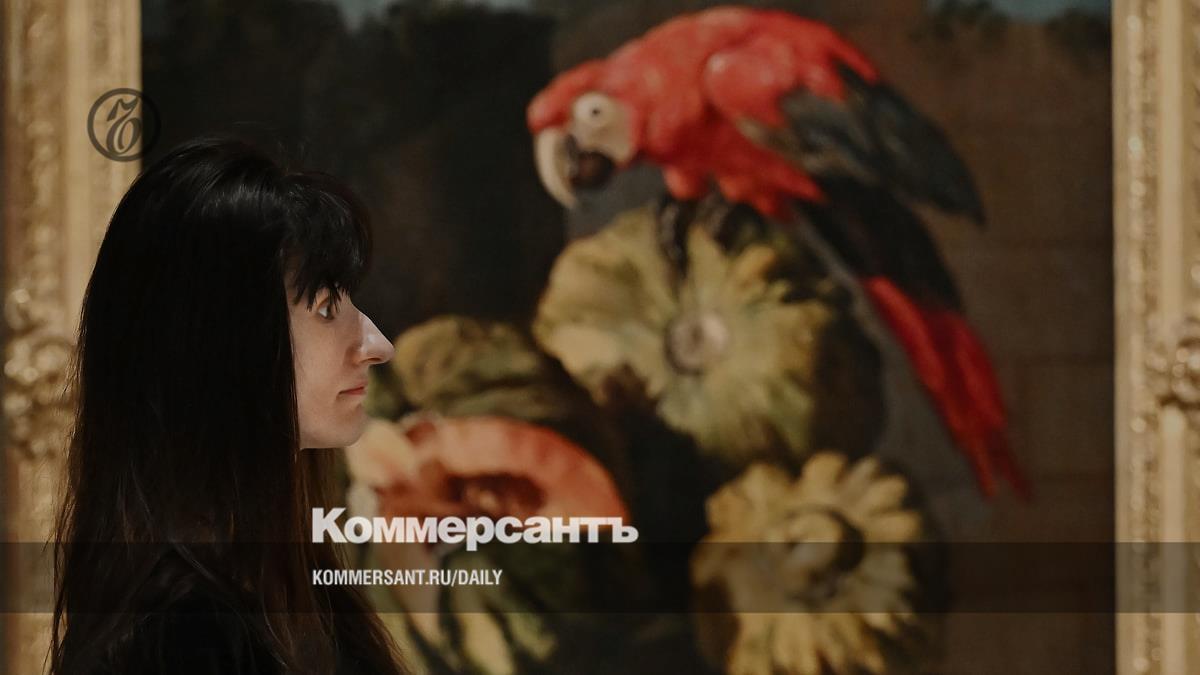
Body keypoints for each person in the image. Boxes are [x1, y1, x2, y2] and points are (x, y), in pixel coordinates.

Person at [48, 135, 410, 674]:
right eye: (326, 308)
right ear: (220, 343)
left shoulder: (294, 591)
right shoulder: (178, 642)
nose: (377, 344)